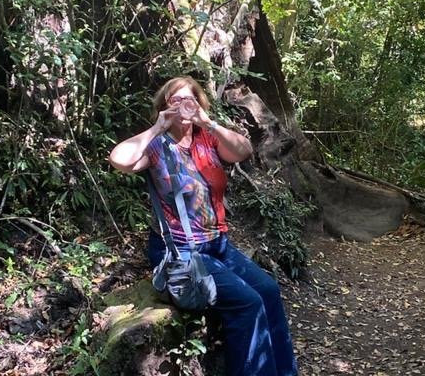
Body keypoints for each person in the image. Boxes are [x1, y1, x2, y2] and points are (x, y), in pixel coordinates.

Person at [108, 75, 298, 376]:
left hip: (218, 244)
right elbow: (118, 159)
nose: (184, 104)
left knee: (269, 290)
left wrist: (208, 122)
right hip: (182, 251)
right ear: (165, 106)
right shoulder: (156, 146)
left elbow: (244, 150)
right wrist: (158, 126)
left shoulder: (207, 139)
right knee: (247, 303)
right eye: (176, 99)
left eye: (190, 98)